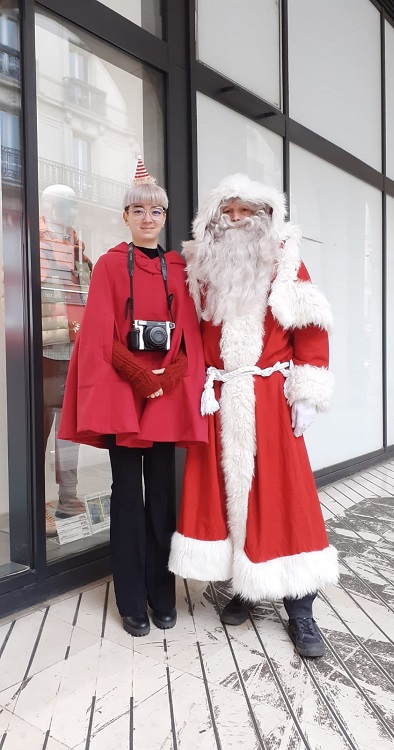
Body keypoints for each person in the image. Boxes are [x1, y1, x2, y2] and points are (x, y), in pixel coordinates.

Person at [169, 173, 339, 658]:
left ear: (265, 216)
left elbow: (310, 327)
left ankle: (301, 607)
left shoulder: (284, 262)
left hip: (269, 394)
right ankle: (246, 587)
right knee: (230, 497)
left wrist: (306, 392)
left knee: (285, 496)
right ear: (215, 218)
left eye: (247, 211)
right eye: (229, 211)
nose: (237, 219)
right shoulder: (201, 269)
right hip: (222, 396)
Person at [58, 157, 207, 636]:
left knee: (162, 495)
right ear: (125, 216)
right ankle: (130, 599)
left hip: (164, 394)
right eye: (138, 210)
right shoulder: (106, 265)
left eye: (156, 212)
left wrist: (171, 374)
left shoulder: (179, 267)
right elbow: (100, 337)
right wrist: (143, 379)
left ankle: (162, 592)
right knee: (126, 496)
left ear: (165, 218)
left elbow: (189, 335)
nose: (147, 218)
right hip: (128, 394)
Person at [40, 184, 92, 536]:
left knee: (69, 427)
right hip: (43, 351)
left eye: (72, 204)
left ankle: (68, 497)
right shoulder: (35, 245)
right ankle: (32, 503)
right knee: (38, 428)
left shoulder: (79, 249)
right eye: (62, 204)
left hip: (77, 349)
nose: (69, 210)